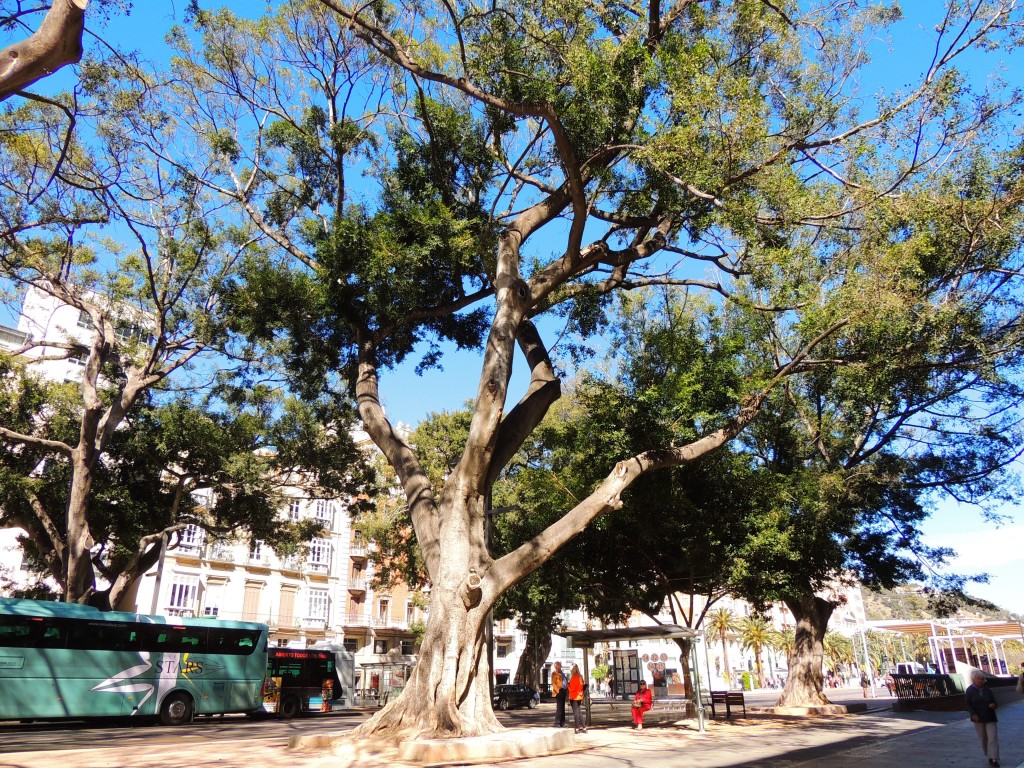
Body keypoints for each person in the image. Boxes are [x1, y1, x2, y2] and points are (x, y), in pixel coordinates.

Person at [966, 670, 1000, 767]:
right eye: (979, 679)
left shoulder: (988, 690)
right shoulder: (970, 690)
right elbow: (968, 704)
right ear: (974, 679)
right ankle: (989, 755)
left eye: (982, 679)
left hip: (990, 716)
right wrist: (973, 714)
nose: (981, 681)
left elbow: (995, 702)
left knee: (993, 737)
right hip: (978, 718)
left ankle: (994, 758)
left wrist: (994, 705)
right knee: (983, 738)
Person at [567, 664, 586, 733]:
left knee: (576, 713)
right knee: (579, 712)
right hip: (579, 696)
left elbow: (572, 688)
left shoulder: (574, 677)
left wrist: (568, 685)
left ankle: (577, 728)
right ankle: (584, 728)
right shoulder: (580, 677)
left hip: (574, 696)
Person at [551, 661, 567, 727]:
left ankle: (562, 722)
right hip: (559, 691)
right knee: (559, 707)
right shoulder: (555, 673)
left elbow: (565, 681)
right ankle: (557, 722)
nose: (561, 666)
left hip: (564, 690)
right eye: (560, 665)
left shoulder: (562, 673)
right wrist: (557, 690)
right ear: (556, 666)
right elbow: (553, 683)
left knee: (563, 707)